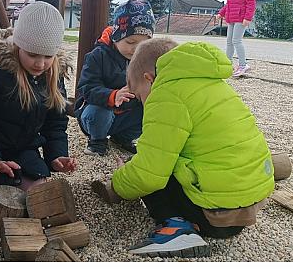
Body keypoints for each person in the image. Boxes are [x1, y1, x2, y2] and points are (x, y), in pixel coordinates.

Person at [107, 38, 274, 257]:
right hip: (248, 207)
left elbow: (149, 174)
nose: (143, 103)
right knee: (168, 156)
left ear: (149, 79)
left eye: (140, 96)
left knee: (146, 165)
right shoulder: (212, 83)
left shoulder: (165, 94)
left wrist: (118, 183)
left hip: (214, 216)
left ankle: (176, 228)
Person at [0, 1, 77, 204]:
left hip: (23, 150)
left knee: (40, 196)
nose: (40, 63)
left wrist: (56, 155)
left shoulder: (53, 74)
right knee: (2, 202)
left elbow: (55, 123)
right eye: (32, 54)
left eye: (48, 56)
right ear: (18, 45)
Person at [74, 0, 155, 156]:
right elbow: (87, 88)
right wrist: (113, 95)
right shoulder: (98, 56)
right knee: (99, 112)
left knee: (150, 109)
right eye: (130, 41)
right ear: (116, 36)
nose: (135, 49)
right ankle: (97, 140)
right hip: (98, 111)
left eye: (143, 44)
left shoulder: (146, 59)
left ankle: (123, 138)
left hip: (127, 113)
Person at [216, 0, 256, 77]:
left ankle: (243, 65)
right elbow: (230, 2)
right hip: (231, 17)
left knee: (236, 41)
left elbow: (251, 2)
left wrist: (248, 18)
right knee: (229, 41)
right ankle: (228, 63)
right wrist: (221, 13)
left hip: (241, 17)